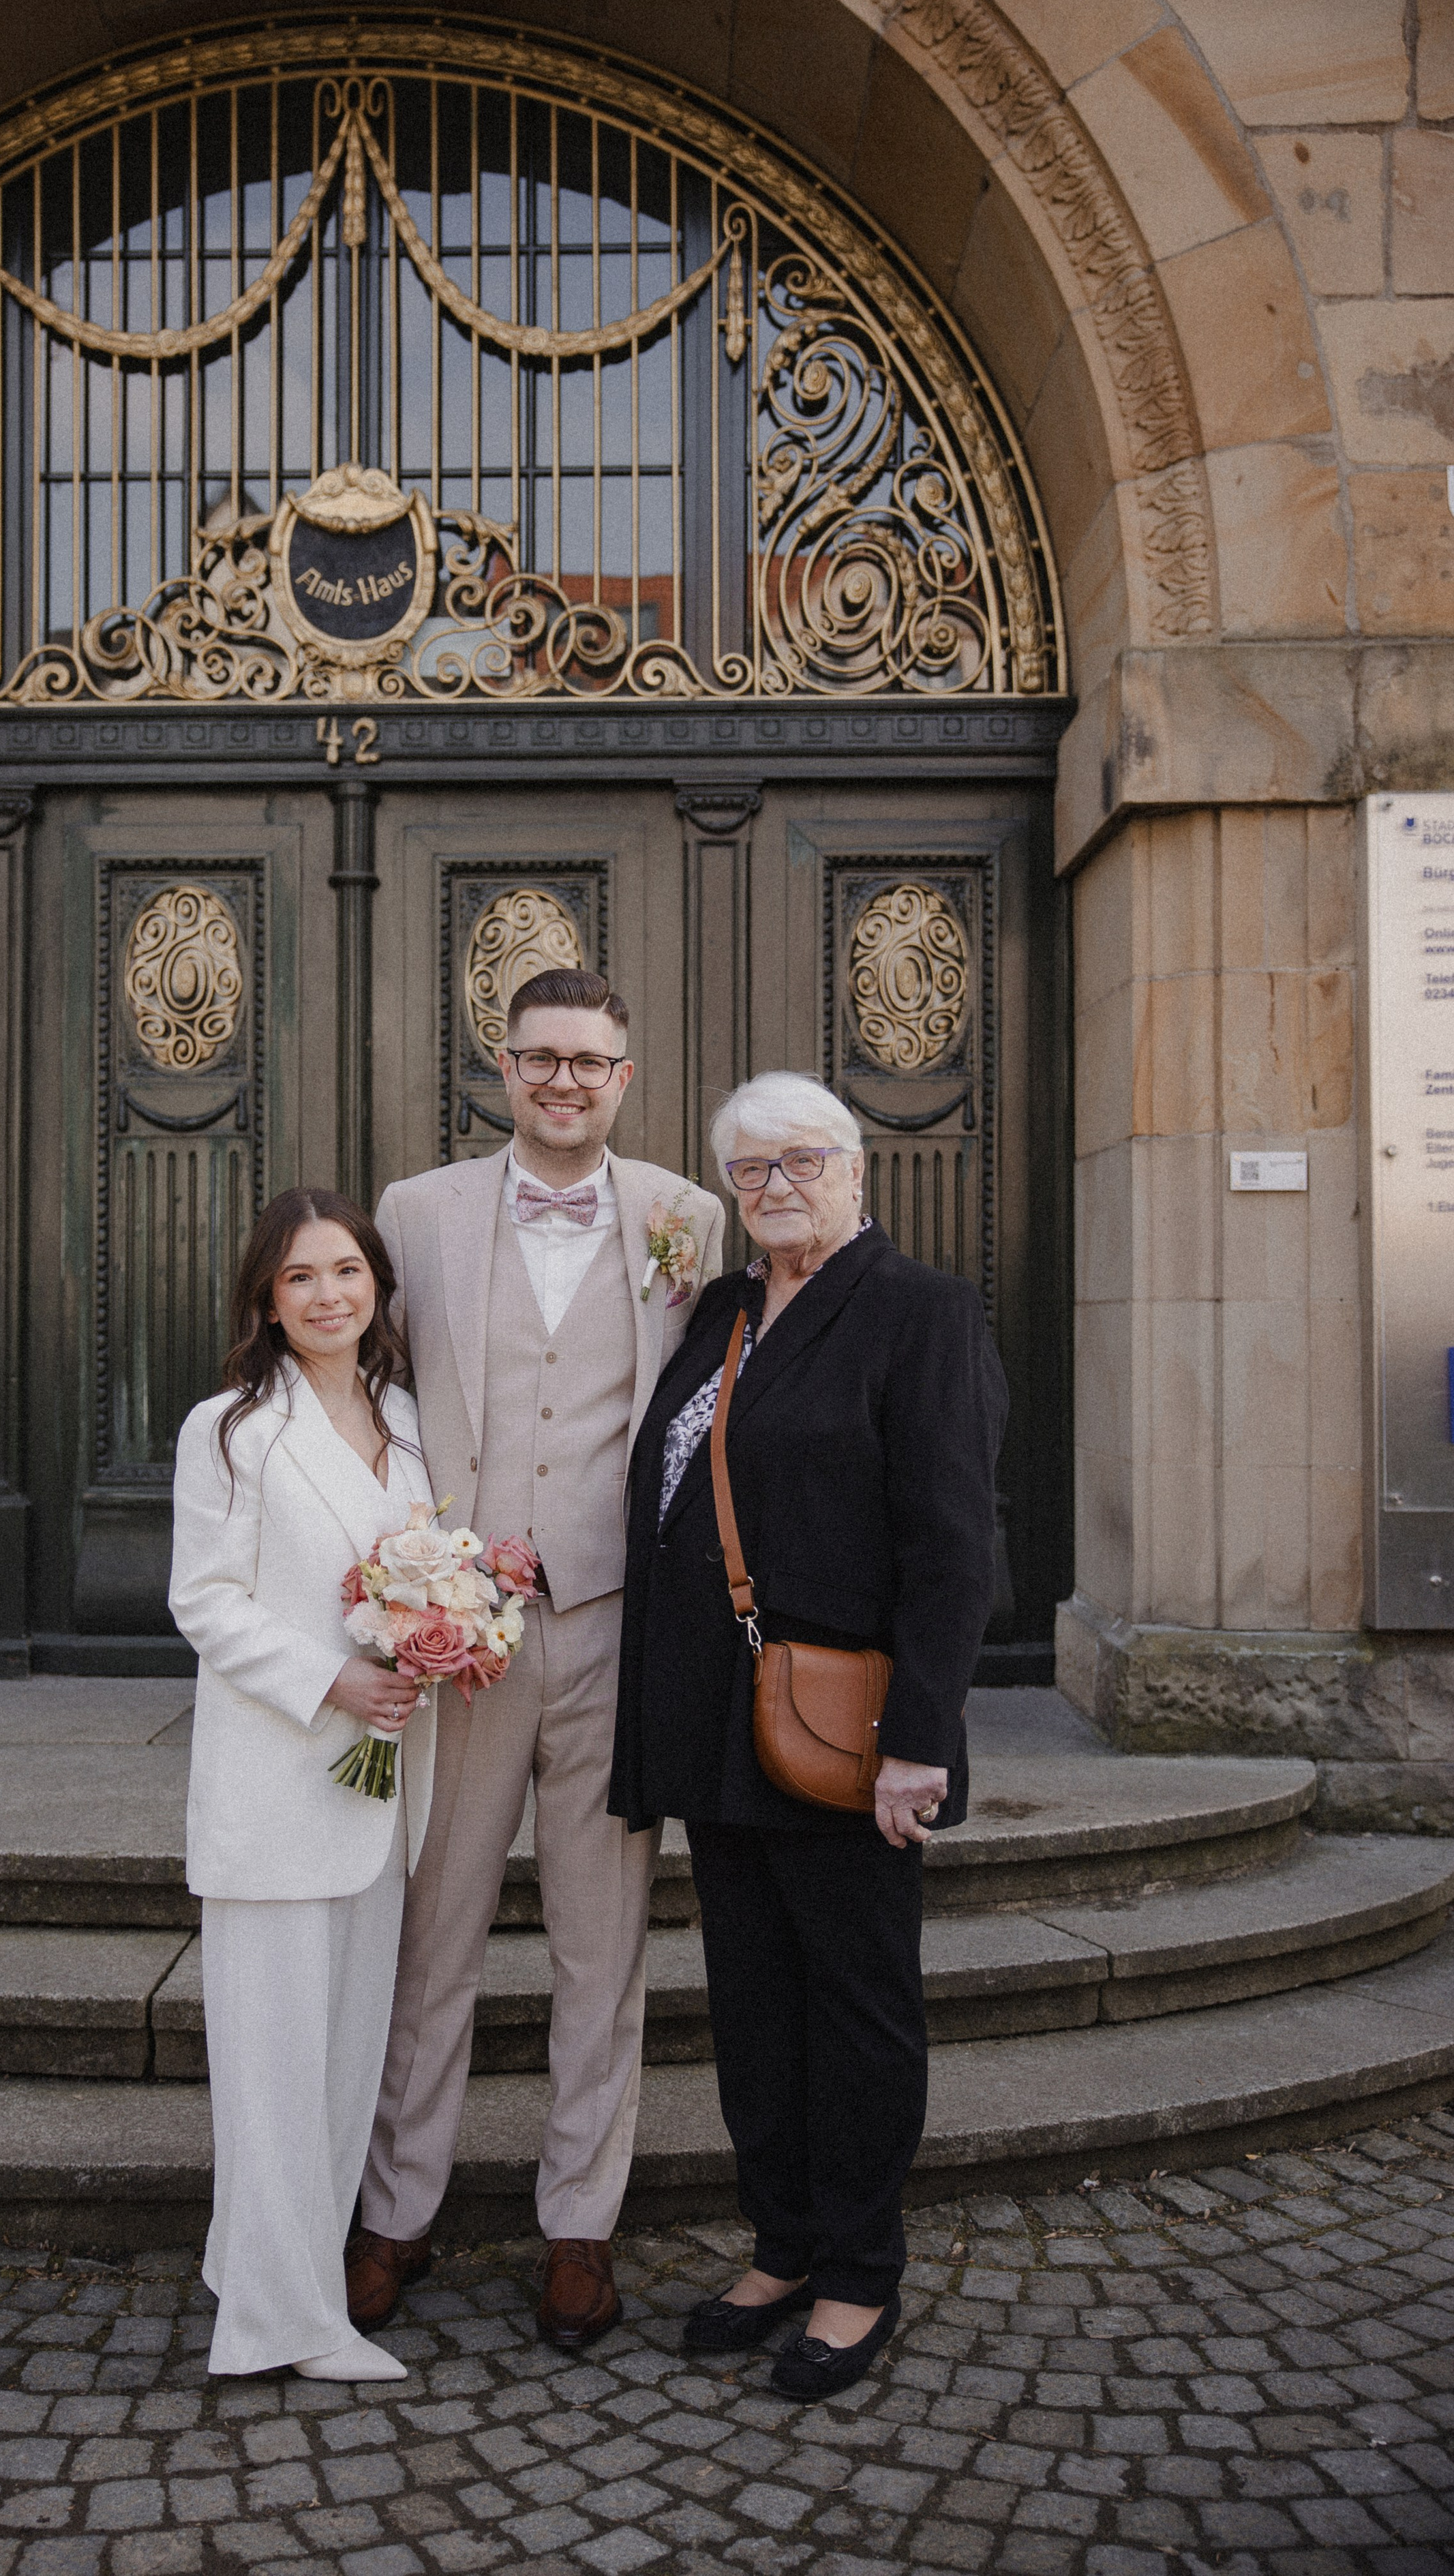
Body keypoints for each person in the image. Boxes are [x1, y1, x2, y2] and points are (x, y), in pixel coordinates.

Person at [610, 1072, 1007, 2401]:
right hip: (722, 1725)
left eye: (800, 1164)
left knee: (856, 2005)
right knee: (753, 2002)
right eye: (750, 1172)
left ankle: (855, 2271)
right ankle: (779, 2243)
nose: (774, 1188)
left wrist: (919, 1736)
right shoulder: (721, 1308)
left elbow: (951, 1549)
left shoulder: (917, 1313)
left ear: (854, 1170)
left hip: (848, 1728)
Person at [348, 968, 725, 2348]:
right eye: (540, 1059)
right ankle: (395, 2212)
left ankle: (580, 2226)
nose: (563, 1081)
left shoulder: (685, 1218)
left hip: (619, 1629)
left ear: (623, 1077)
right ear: (501, 1068)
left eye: (589, 1062)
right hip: (463, 1640)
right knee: (429, 1939)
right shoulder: (416, 1213)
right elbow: (369, 1400)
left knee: (600, 1944)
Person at [169, 1188, 438, 2382]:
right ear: (267, 1304)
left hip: (380, 1799)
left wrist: (445, 1638)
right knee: (275, 2069)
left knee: (339, 2065)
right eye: (299, 1279)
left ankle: (273, 2266)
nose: (328, 1296)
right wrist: (333, 1682)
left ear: (376, 1282)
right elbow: (206, 1601)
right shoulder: (228, 1429)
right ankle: (282, 2328)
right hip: (279, 1786)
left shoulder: (413, 1419)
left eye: (345, 1271)